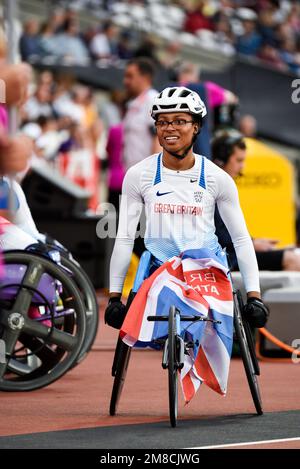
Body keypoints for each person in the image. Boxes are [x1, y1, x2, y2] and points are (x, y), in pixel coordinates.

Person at [105, 86, 269, 331]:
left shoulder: (217, 177)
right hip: (159, 268)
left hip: (206, 269)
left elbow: (241, 239)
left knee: (214, 331)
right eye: (162, 122)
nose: (169, 128)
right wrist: (115, 297)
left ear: (196, 127)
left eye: (179, 121)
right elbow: (125, 236)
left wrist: (254, 296)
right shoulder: (138, 175)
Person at [212, 131, 300, 272]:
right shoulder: (213, 188)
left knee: (294, 254)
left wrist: (254, 241)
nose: (242, 167)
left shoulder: (221, 185)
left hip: (237, 252)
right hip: (228, 258)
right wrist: (252, 244)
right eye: (239, 161)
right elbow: (220, 237)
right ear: (222, 159)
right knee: (293, 260)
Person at [122, 57, 160, 170]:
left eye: (130, 76)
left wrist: (154, 173)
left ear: (145, 78)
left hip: (146, 176)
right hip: (134, 175)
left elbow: (159, 138)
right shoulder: (134, 103)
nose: (125, 81)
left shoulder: (152, 99)